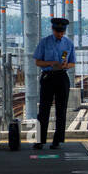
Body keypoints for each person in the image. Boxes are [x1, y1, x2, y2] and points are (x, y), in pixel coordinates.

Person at [32, 18, 75, 149]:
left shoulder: (68, 43)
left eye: (62, 32)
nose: (60, 34)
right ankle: (40, 140)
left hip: (62, 76)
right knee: (44, 109)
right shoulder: (44, 42)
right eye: (58, 31)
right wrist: (51, 63)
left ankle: (57, 140)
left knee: (61, 110)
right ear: (52, 29)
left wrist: (66, 65)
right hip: (48, 77)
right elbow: (38, 62)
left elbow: (73, 62)